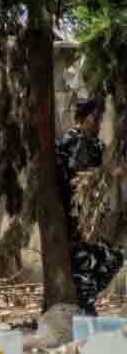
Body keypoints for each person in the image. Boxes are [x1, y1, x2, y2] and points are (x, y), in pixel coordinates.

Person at [56, 98, 126, 316]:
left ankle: (85, 304)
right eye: (96, 120)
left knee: (109, 257)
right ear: (87, 119)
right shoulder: (75, 142)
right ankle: (84, 307)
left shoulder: (86, 142)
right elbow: (78, 177)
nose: (98, 125)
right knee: (91, 263)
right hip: (75, 219)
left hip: (84, 220)